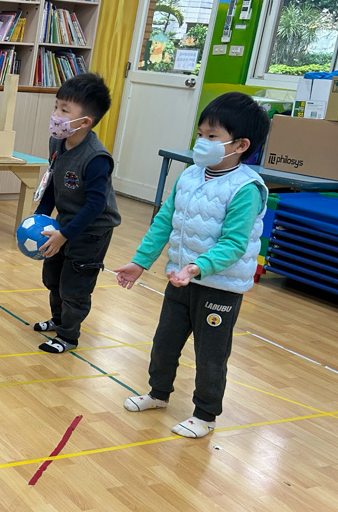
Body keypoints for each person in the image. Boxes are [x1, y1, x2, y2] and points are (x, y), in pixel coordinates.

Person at [113, 92, 270, 438]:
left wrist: (197, 267)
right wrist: (140, 262)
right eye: (200, 134)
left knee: (211, 353)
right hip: (180, 279)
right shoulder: (190, 175)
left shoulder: (246, 188)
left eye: (212, 136)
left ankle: (205, 414)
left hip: (220, 287)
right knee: (165, 342)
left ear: (240, 145)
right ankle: (158, 394)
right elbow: (164, 221)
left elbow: (234, 244)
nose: (202, 142)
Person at [32, 73, 121, 354]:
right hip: (66, 222)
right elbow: (52, 183)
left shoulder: (96, 158)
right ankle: (59, 321)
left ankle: (68, 336)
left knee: (75, 285)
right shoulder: (57, 143)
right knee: (53, 276)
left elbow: (95, 205)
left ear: (85, 122)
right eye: (56, 107)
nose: (56, 115)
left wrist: (65, 235)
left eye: (64, 110)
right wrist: (40, 218)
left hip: (92, 229)